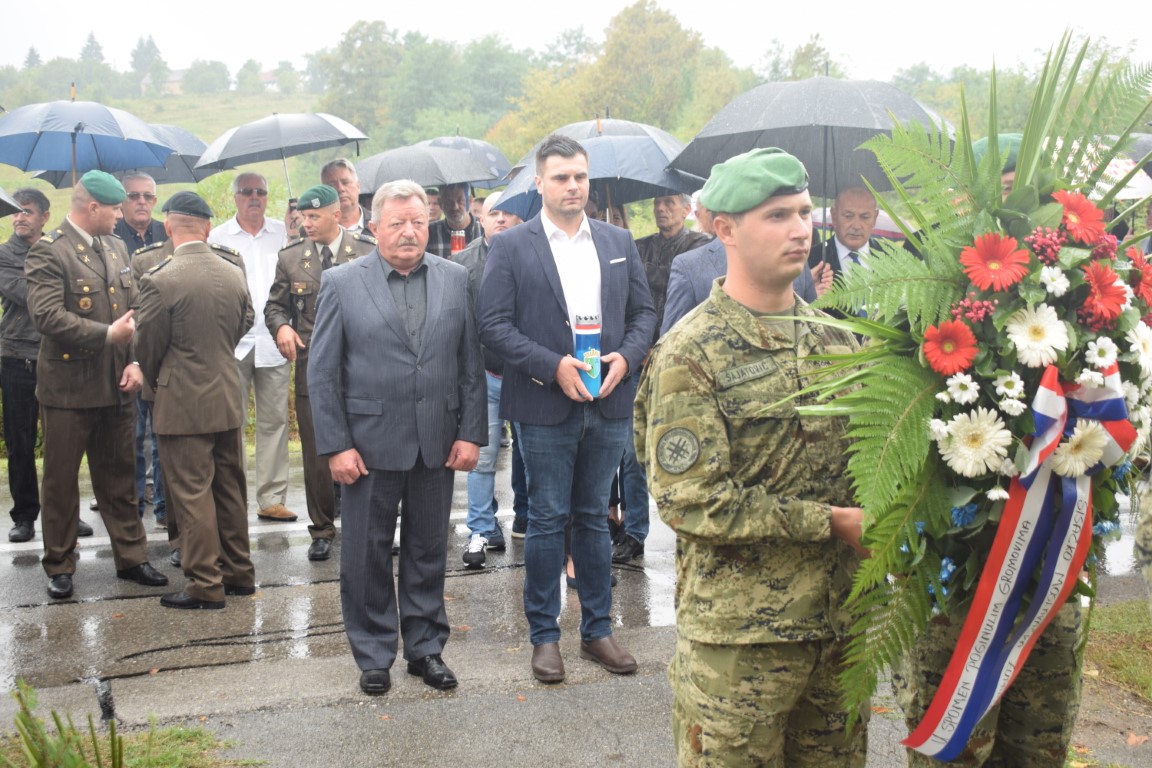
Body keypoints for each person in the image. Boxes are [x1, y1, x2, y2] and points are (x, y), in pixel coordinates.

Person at [634, 148, 868, 766]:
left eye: (805, 213)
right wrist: (832, 523)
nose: (800, 230)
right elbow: (691, 501)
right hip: (739, 648)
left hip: (838, 634)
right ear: (726, 229)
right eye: (777, 216)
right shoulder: (691, 353)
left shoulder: (839, 342)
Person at [479, 134, 656, 683]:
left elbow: (644, 314)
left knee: (595, 519)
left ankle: (598, 630)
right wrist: (552, 365)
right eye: (561, 177)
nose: (573, 186)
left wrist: (627, 357)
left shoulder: (618, 241)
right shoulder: (512, 246)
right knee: (548, 518)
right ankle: (545, 637)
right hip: (544, 402)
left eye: (580, 176)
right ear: (540, 184)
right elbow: (493, 326)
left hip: (608, 400)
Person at [308, 180, 486, 695]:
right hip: (367, 445)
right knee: (366, 553)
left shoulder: (455, 279)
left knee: (428, 550)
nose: (409, 232)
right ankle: (374, 653)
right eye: (397, 223)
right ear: (374, 227)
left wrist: (471, 433)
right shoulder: (342, 282)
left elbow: (470, 364)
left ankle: (426, 649)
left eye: (417, 222)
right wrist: (336, 445)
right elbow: (322, 372)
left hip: (437, 441)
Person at [24, 170, 169, 600]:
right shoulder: (49, 252)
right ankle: (60, 564)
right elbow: (46, 316)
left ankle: (132, 557)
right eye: (114, 209)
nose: (120, 215)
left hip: (116, 384)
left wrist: (136, 360)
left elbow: (134, 310)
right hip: (68, 389)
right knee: (61, 482)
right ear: (92, 208)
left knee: (121, 477)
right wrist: (107, 335)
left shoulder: (116, 246)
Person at [135, 192, 255, 610]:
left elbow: (147, 346)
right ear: (206, 228)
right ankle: (239, 572)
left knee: (191, 493)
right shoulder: (233, 271)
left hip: (181, 399)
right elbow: (245, 321)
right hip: (226, 392)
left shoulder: (160, 278)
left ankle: (205, 582)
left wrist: (159, 379)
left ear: (169, 226)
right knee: (230, 488)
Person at [265, 184, 376, 562]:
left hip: (362, 366)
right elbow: (274, 307)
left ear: (336, 215)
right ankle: (322, 529)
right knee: (317, 452)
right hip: (313, 367)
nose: (306, 223)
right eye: (303, 217)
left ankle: (368, 525)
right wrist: (282, 327)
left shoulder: (366, 251)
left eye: (314, 216)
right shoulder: (291, 258)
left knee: (367, 447)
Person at [611, 194, 711, 566]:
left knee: (686, 446)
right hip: (638, 359)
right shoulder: (638, 247)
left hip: (682, 362)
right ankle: (635, 530)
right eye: (657, 203)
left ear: (687, 209)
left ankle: (696, 529)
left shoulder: (699, 247)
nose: (661, 209)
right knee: (630, 451)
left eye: (669, 203)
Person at [1, 190, 95, 542]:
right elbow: (29, 296)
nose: (19, 218)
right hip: (17, 357)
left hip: (57, 357)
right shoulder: (4, 255)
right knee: (20, 441)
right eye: (15, 213)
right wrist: (62, 283)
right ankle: (25, 515)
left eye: (27, 212)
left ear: (44, 216)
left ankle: (66, 512)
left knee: (64, 441)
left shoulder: (61, 249)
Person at [209, 173, 298, 523]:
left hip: (275, 339)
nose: (254, 197)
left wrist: (295, 233)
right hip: (233, 342)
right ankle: (231, 498)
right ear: (235, 197)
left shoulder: (282, 233)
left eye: (261, 191)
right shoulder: (218, 237)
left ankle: (271, 498)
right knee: (230, 423)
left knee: (274, 422)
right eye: (247, 192)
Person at [453, 191, 523, 567]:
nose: (501, 218)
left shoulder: (533, 254)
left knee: (531, 455)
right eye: (494, 212)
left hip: (527, 376)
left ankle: (530, 519)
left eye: (509, 212)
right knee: (482, 457)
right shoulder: (461, 265)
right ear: (479, 217)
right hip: (483, 374)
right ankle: (480, 528)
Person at [661, 237, 820, 336]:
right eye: (777, 215)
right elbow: (671, 344)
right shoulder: (689, 267)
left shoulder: (795, 259)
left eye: (804, 213)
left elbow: (815, 331)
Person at [807, 186, 881, 288]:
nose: (856, 226)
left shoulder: (892, 257)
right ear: (834, 216)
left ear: (875, 218)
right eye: (848, 216)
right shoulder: (811, 259)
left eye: (865, 217)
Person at [113, 172, 167, 254]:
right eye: (133, 196)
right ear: (121, 201)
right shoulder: (110, 236)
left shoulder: (168, 233)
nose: (142, 202)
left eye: (148, 196)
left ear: (154, 201)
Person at [427, 183, 482, 259]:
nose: (455, 207)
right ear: (440, 203)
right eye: (448, 201)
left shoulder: (485, 230)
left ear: (469, 201)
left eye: (460, 201)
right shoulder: (430, 233)